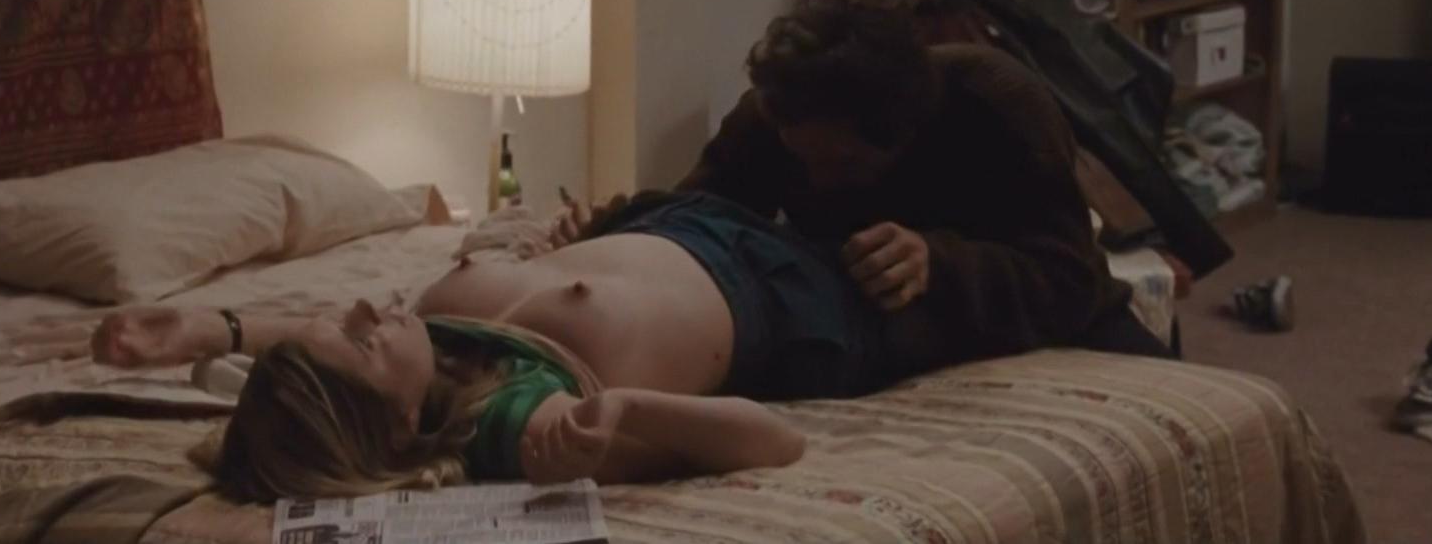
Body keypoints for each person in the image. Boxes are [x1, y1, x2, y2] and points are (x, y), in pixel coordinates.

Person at [92, 191, 924, 502]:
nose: (366, 308)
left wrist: (215, 327)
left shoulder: (417, 352)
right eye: (364, 340)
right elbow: (778, 442)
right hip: (791, 296)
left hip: (673, 216)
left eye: (350, 320)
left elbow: (323, 350)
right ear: (399, 425)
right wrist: (630, 409)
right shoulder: (512, 423)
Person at [676, 0, 1171, 377]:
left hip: (1042, 318)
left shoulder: (997, 103)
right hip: (868, 326)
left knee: (1182, 408)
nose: (816, 181)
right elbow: (695, 214)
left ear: (903, 134)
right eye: (801, 160)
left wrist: (938, 263)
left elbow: (1070, 283)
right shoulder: (775, 116)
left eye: (843, 164)